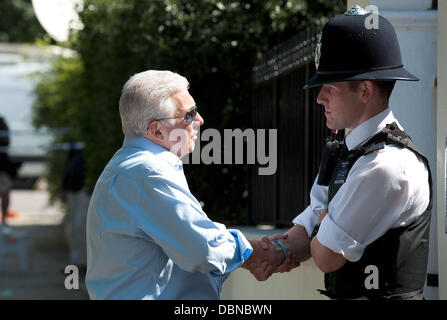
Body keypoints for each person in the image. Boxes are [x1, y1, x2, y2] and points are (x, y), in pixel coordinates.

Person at [245, 6, 432, 300]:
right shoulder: (345, 150)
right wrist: (281, 249)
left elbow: (326, 255)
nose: (319, 98)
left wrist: (317, 229)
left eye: (329, 88)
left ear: (365, 91)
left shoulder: (387, 166)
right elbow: (313, 218)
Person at [85, 70, 289, 299]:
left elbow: (183, 243)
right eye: (189, 115)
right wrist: (257, 252)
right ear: (157, 130)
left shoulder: (128, 166)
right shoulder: (150, 173)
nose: (200, 120)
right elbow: (202, 250)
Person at [61, 142, 89, 274]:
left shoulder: (89, 132)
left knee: (80, 226)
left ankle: (84, 263)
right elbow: (69, 162)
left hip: (85, 188)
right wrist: (64, 185)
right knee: (73, 227)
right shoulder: (74, 137)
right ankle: (76, 262)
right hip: (72, 188)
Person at [0, 116, 17, 232]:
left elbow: (6, 142)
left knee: (5, 194)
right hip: (4, 165)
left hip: (3, 166)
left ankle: (4, 220)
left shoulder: (2, 123)